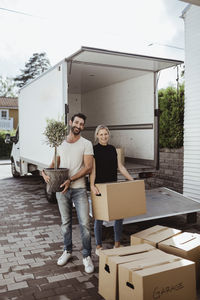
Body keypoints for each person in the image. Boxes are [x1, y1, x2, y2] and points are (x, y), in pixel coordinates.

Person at [42, 113, 94, 273]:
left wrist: (70, 179)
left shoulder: (86, 144)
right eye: (76, 122)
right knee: (66, 223)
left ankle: (86, 256)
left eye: (82, 124)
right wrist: (44, 172)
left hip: (78, 189)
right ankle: (67, 251)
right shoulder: (60, 143)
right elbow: (54, 164)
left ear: (83, 127)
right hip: (61, 190)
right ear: (71, 122)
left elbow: (88, 167)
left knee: (84, 223)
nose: (78, 126)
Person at [90, 125, 134, 255]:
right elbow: (93, 170)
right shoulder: (94, 150)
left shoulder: (112, 149)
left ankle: (117, 244)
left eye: (106, 134)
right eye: (101, 134)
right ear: (97, 135)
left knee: (119, 215)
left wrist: (132, 180)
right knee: (99, 218)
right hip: (100, 187)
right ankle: (98, 247)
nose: (104, 136)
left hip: (113, 185)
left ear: (108, 135)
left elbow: (120, 167)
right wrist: (92, 185)